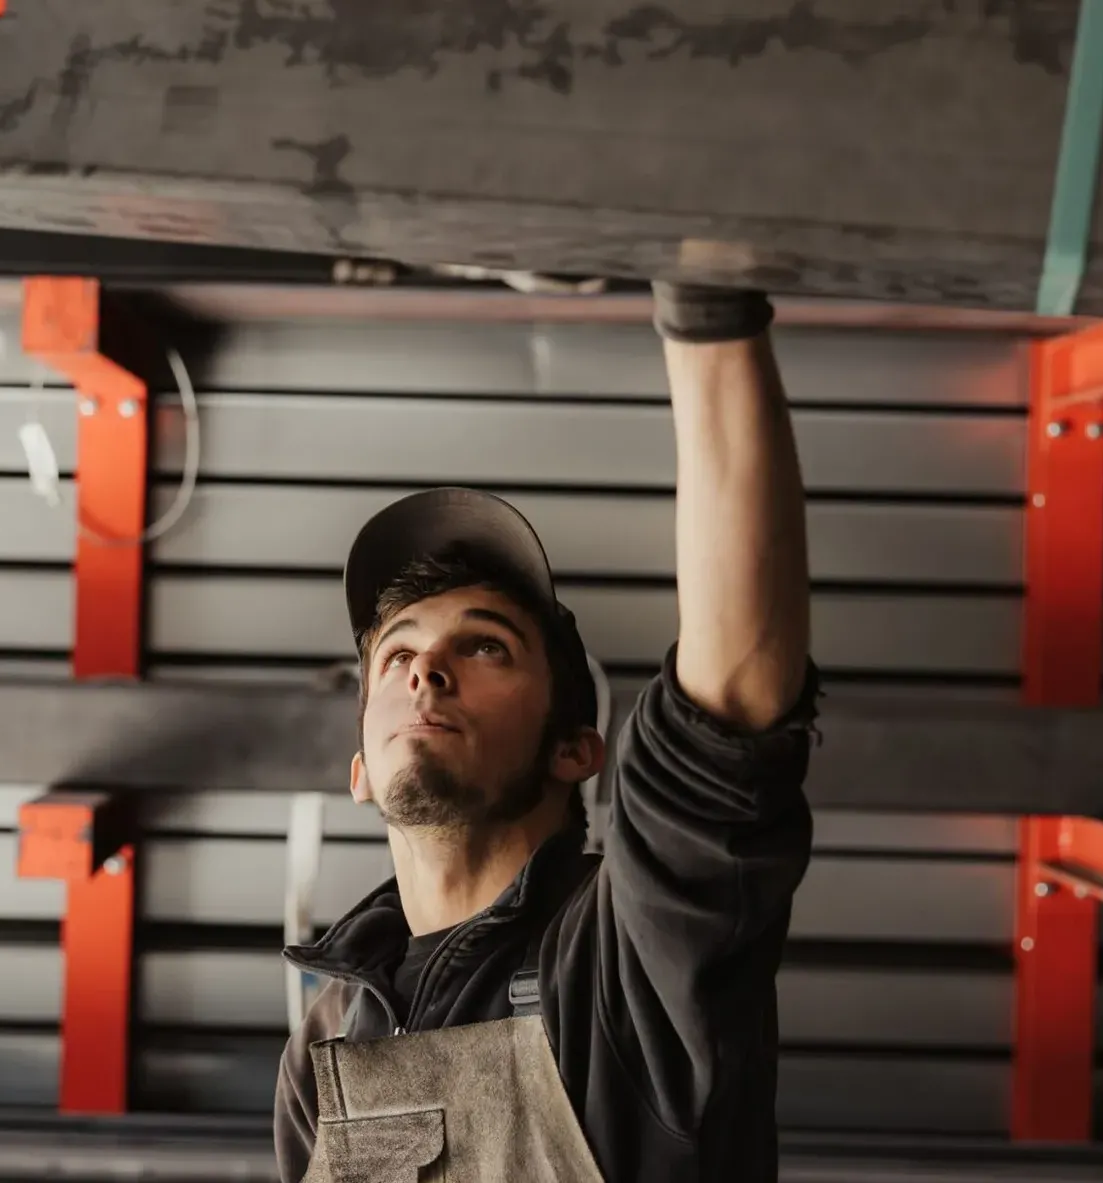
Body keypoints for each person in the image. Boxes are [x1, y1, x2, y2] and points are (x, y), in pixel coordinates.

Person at [273, 282, 818, 1182]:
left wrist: (704, 296)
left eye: (484, 646)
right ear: (361, 767)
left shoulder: (630, 955)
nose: (425, 669)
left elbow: (735, 694)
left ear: (575, 749)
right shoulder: (324, 1046)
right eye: (396, 655)